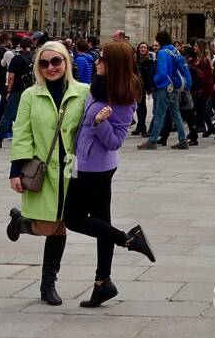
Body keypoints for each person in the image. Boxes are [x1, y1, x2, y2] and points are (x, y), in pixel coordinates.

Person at [63, 38, 155, 307]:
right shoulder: (99, 87)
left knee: (73, 219)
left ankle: (128, 239)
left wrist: (101, 123)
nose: (96, 61)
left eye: (102, 59)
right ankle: (103, 283)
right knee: (101, 220)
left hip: (94, 168)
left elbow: (115, 140)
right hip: (84, 161)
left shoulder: (124, 98)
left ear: (112, 65)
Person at [4, 40, 89, 305]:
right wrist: (15, 171)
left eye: (56, 61)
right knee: (50, 226)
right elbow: (22, 132)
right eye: (44, 63)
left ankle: (48, 284)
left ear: (66, 62)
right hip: (43, 168)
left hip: (72, 169)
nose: (50, 67)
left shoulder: (83, 92)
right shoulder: (31, 94)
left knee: (60, 225)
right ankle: (23, 223)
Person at [138, 29, 189, 151]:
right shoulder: (175, 51)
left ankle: (152, 140)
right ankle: (183, 140)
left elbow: (162, 73)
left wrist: (152, 82)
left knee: (159, 114)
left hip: (164, 87)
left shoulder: (162, 53)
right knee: (176, 115)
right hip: (175, 87)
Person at [0, 38, 33, 148]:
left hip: (16, 89)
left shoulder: (17, 59)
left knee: (7, 116)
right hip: (29, 90)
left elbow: (11, 76)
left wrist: (8, 91)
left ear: (20, 45)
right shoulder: (33, 58)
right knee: (24, 115)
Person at [132, 41, 155, 135]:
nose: (143, 49)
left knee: (142, 106)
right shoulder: (135, 59)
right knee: (138, 106)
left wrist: (148, 88)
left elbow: (150, 75)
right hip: (136, 85)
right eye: (141, 47)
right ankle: (139, 126)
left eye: (145, 48)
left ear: (147, 50)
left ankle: (142, 126)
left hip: (143, 86)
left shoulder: (149, 60)